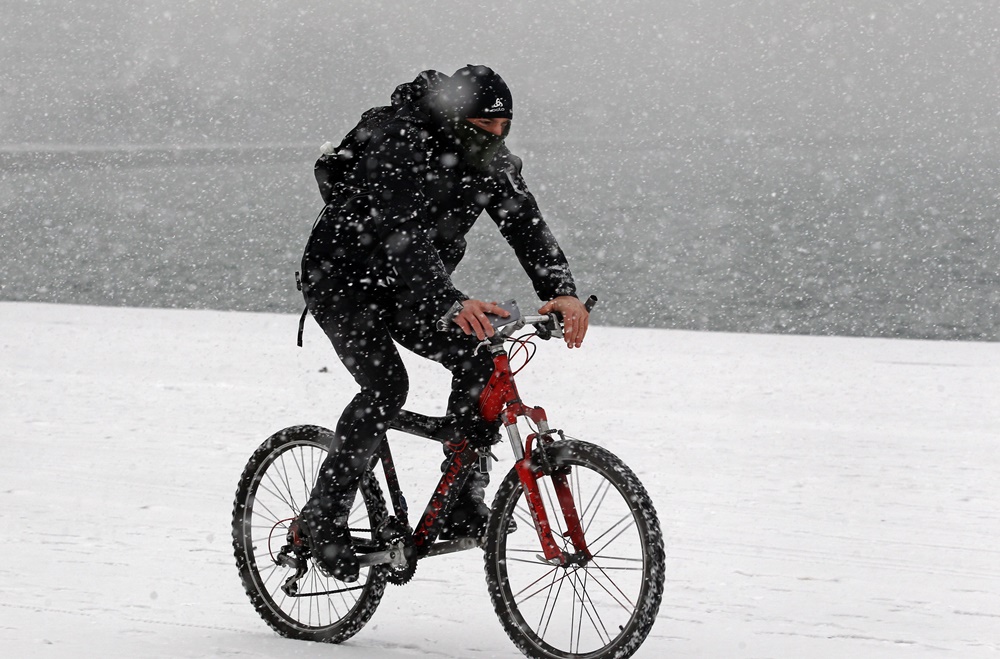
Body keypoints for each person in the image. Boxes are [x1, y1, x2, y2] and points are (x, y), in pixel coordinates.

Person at [297, 65, 590, 581]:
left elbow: (523, 221)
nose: (496, 138)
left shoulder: (488, 158)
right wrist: (450, 300)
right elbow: (399, 232)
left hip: (412, 288)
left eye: (505, 127)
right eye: (485, 126)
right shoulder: (398, 141)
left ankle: (461, 497)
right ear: (457, 118)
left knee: (479, 356)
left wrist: (560, 291)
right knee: (386, 387)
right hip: (343, 282)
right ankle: (322, 521)